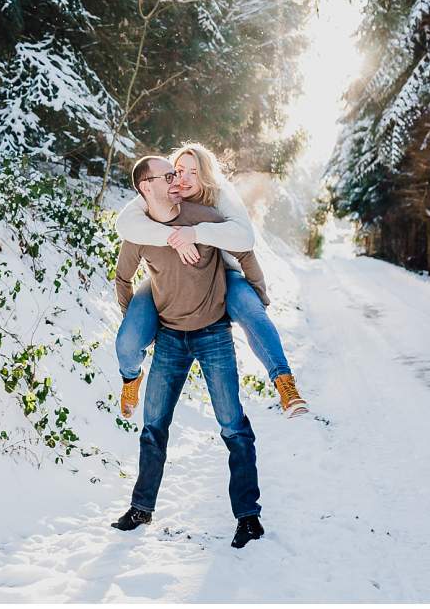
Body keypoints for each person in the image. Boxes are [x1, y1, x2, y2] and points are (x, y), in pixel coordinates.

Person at [109, 155, 265, 549]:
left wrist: (257, 294)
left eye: (178, 172)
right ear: (147, 187)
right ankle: (141, 508)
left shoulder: (202, 215)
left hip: (213, 333)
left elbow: (244, 250)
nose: (177, 178)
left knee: (234, 427)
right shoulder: (140, 230)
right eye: (168, 175)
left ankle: (248, 517)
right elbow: (122, 277)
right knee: (153, 427)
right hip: (170, 340)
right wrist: (138, 319)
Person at [115, 141, 308, 419]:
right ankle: (131, 378)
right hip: (166, 280)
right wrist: (173, 238)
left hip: (223, 274)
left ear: (206, 174)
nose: (184, 179)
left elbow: (245, 242)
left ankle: (285, 385)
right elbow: (125, 224)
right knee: (129, 338)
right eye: (179, 171)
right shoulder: (158, 190)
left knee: (252, 311)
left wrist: (195, 234)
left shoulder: (219, 197)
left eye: (194, 172)